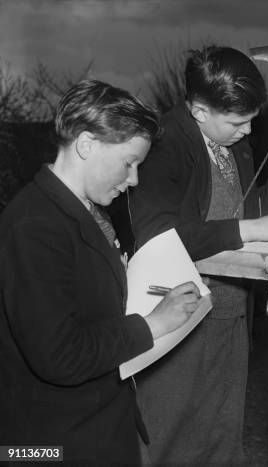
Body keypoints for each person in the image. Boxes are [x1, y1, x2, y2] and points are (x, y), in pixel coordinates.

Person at [128, 46, 268, 465]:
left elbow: (238, 213)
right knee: (169, 437)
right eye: (238, 121)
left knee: (222, 433)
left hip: (231, 310)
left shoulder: (234, 144)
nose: (248, 130)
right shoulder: (161, 147)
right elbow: (162, 237)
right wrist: (251, 229)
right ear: (200, 109)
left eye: (253, 119)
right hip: (177, 314)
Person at [0, 80, 203, 466]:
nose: (134, 180)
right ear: (86, 144)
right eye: (129, 162)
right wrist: (153, 325)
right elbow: (59, 355)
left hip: (94, 427)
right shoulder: (33, 227)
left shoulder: (86, 212)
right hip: (49, 445)